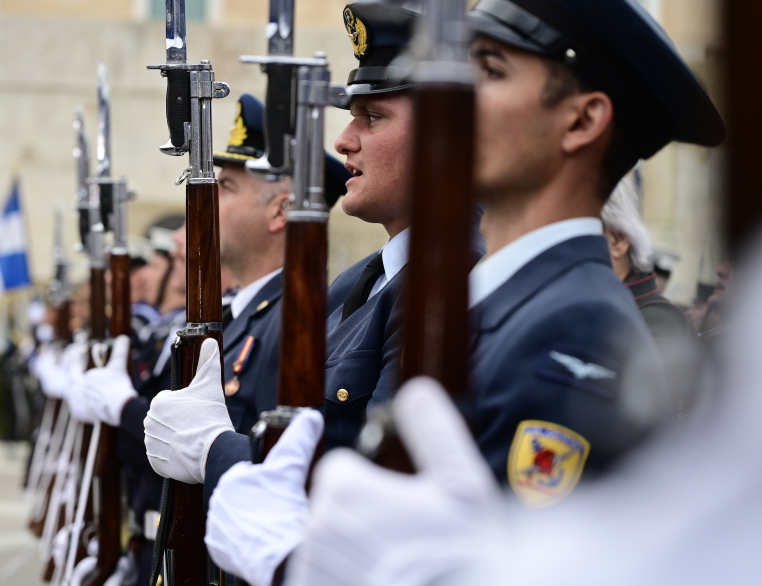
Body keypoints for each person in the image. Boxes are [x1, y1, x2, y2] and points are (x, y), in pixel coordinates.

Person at [279, 0, 726, 584]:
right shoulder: (484, 299)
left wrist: (280, 554)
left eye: (488, 72)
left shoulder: (576, 326)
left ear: (581, 121)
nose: (450, 96)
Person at [143, 2, 426, 519]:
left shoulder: (445, 286)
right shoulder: (354, 287)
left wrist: (216, 452)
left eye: (374, 117)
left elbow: (376, 491)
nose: (344, 139)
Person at [213, 93, 351, 435]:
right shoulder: (239, 311)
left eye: (226, 187)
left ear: (281, 212)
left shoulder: (294, 319)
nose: (205, 200)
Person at [602, 172, 701, 417]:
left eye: (579, 237)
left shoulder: (657, 320)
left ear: (617, 240)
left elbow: (666, 424)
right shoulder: (616, 309)